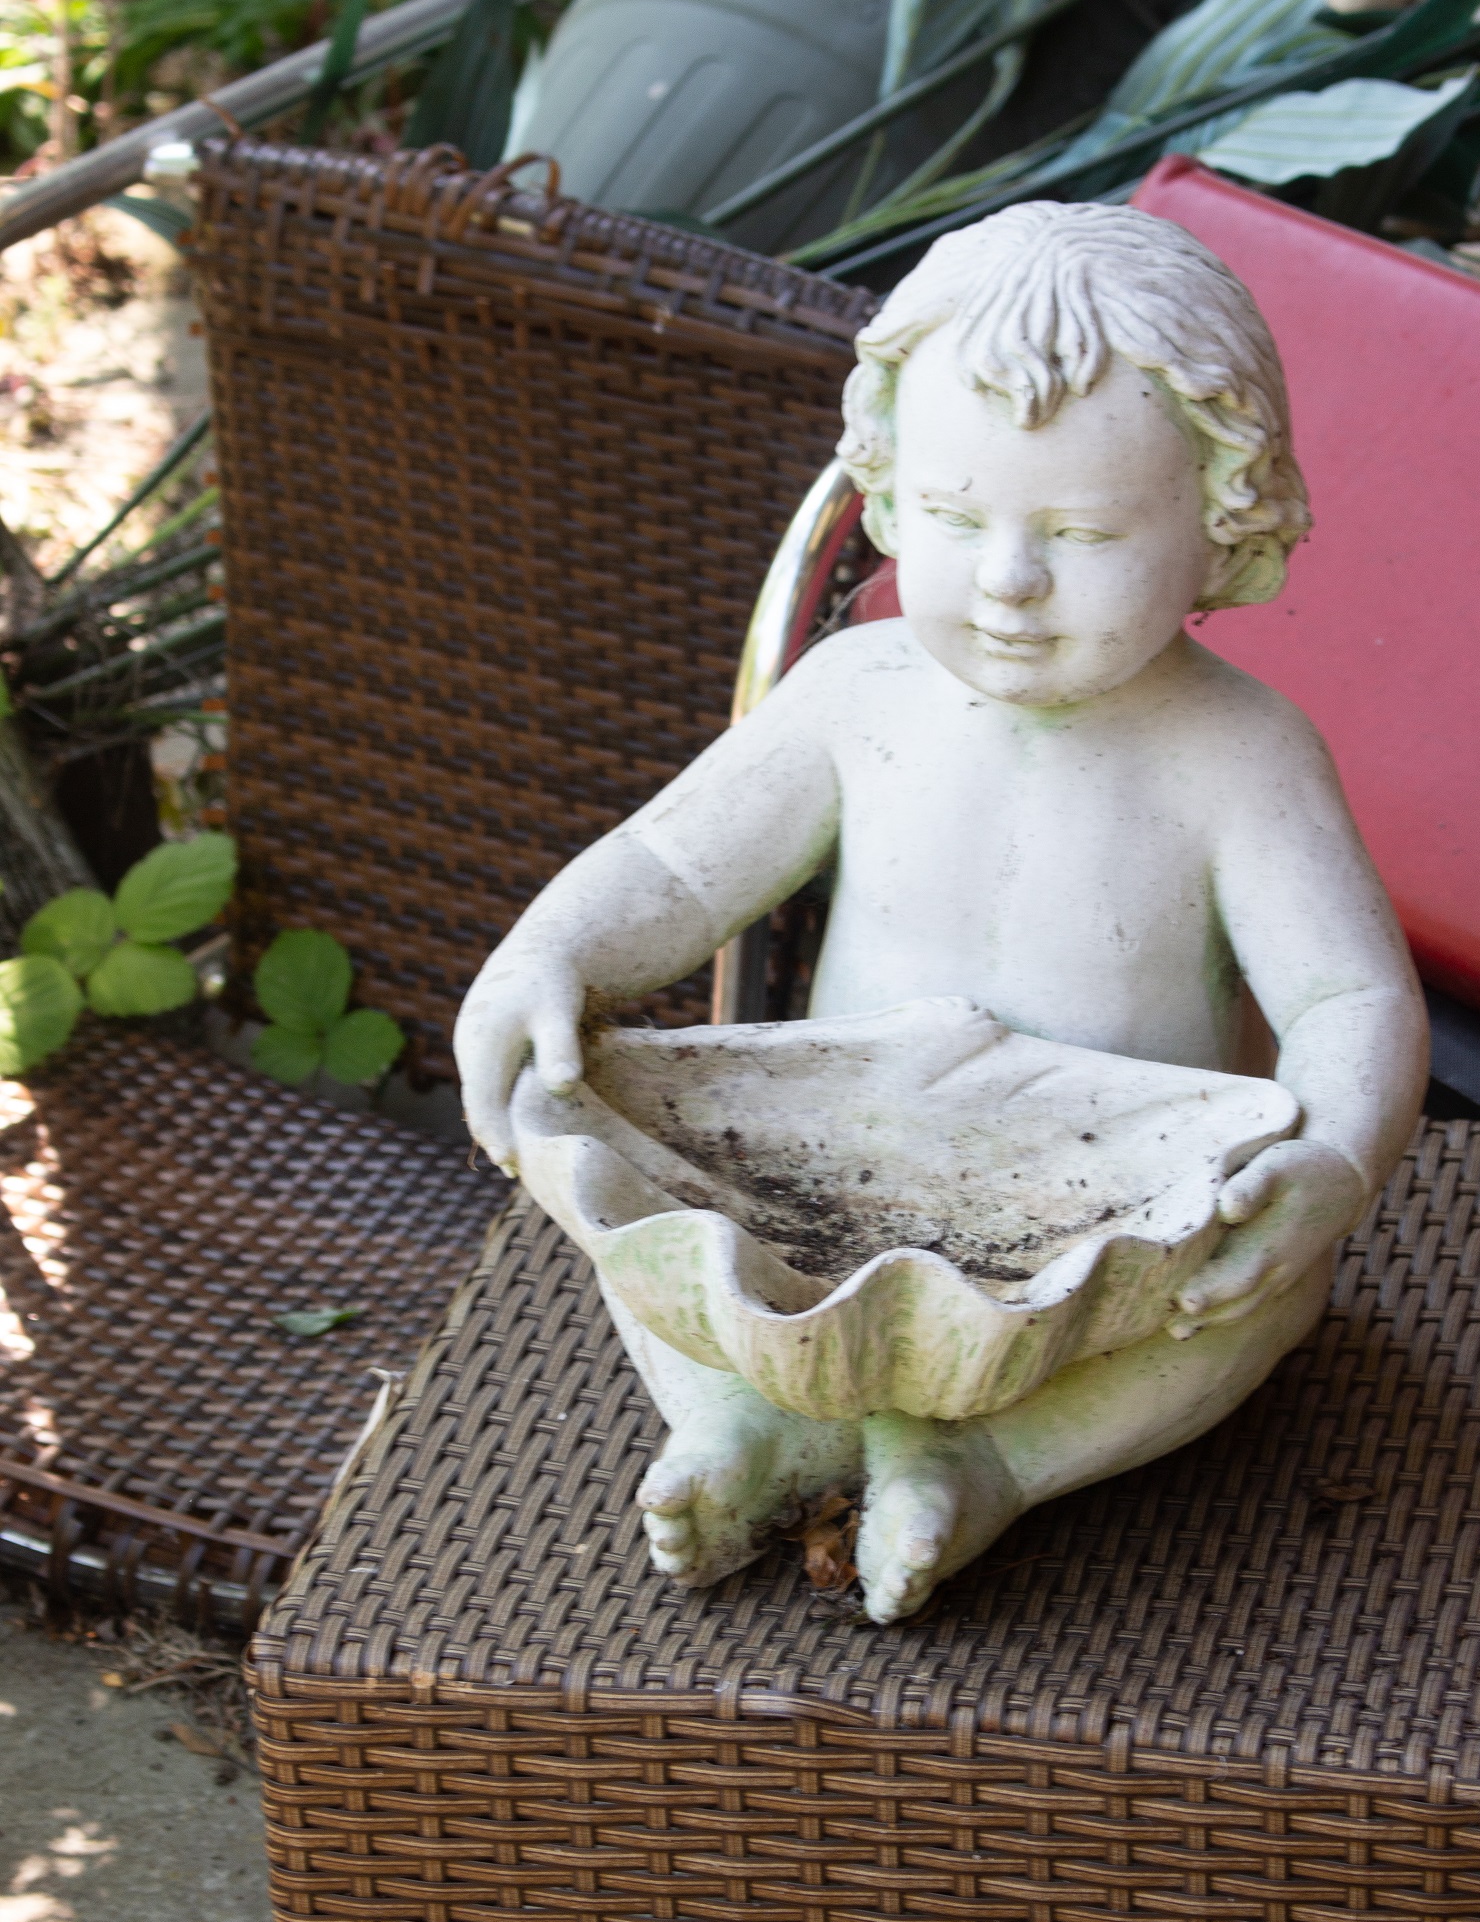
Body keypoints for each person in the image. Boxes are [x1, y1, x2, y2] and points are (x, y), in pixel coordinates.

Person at [455, 200, 1428, 1622]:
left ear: (1222, 530)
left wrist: (1335, 1157)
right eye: (958, 521)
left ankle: (1003, 1464)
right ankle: (742, 1424)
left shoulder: (1243, 757)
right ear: (891, 493)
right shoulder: (857, 693)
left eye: (1083, 532)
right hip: (820, 1184)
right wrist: (545, 957)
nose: (1009, 584)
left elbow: (1349, 1001)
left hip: (1111, 1238)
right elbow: (672, 872)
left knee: (1268, 1295)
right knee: (631, 1201)